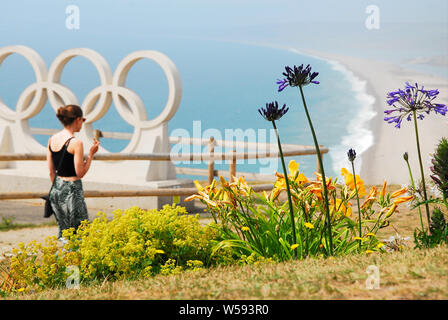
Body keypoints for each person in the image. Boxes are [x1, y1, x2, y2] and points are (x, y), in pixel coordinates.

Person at [46, 104, 100, 241]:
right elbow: (80, 172)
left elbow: (51, 171)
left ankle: (65, 260)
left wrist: (58, 187)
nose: (82, 123)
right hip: (73, 190)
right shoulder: (76, 143)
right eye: (83, 120)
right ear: (77, 119)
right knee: (80, 233)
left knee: (64, 232)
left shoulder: (52, 139)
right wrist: (91, 155)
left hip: (56, 190)